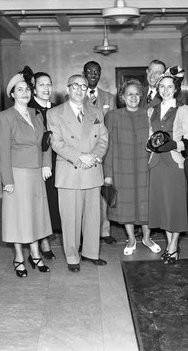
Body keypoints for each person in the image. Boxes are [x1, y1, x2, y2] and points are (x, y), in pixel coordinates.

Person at [47, 74, 109, 273]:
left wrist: (95, 156)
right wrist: (81, 156)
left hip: (92, 169)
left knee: (93, 216)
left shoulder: (95, 111)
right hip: (70, 170)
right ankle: (72, 256)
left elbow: (104, 139)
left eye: (83, 87)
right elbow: (56, 142)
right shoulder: (55, 113)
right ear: (68, 88)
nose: (80, 90)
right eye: (75, 86)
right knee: (70, 219)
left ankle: (91, 253)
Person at [0, 66, 52, 278]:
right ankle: (19, 256)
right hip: (17, 174)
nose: (25, 93)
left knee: (35, 214)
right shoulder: (5, 117)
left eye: (27, 89)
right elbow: (3, 151)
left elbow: (46, 141)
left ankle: (35, 254)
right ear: (12, 94)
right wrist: (6, 180)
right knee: (18, 217)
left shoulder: (37, 114)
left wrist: (46, 164)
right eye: (20, 90)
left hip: (36, 172)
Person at [103, 79, 161, 256]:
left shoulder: (149, 114)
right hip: (122, 167)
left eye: (137, 94)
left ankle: (146, 237)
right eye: (129, 94)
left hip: (145, 167)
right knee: (126, 205)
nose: (133, 97)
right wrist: (108, 174)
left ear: (141, 96)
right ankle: (131, 238)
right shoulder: (112, 116)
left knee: (146, 203)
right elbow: (108, 146)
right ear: (122, 97)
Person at [147, 66, 188, 264]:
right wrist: (150, 146)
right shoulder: (151, 110)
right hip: (156, 164)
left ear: (176, 89)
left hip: (174, 164)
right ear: (158, 89)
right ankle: (169, 244)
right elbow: (150, 136)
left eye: (169, 87)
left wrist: (175, 144)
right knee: (163, 208)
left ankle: (173, 246)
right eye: (162, 87)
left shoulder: (184, 110)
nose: (165, 90)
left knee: (175, 207)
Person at [83, 60, 118, 245]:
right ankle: (86, 233)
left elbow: (113, 125)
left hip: (105, 150)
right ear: (84, 74)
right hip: (85, 152)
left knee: (104, 191)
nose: (93, 75)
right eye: (89, 72)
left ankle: (105, 231)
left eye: (96, 72)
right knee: (86, 192)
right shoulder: (75, 96)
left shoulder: (109, 97)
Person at [28, 71, 60, 261]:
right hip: (37, 163)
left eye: (49, 84)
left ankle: (49, 234)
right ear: (34, 88)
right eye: (42, 85)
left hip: (58, 161)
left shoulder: (57, 108)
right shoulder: (29, 110)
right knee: (40, 203)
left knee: (52, 201)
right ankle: (43, 243)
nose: (46, 88)